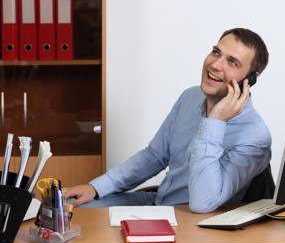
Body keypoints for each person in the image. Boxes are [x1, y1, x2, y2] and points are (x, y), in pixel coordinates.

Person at [64, 28, 271, 213]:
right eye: (216, 52)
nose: (216, 64)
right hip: (157, 203)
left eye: (232, 62)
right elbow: (154, 156)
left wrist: (215, 121)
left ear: (250, 79)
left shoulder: (255, 137)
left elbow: (203, 204)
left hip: (191, 222)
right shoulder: (190, 97)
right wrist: (96, 188)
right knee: (72, 210)